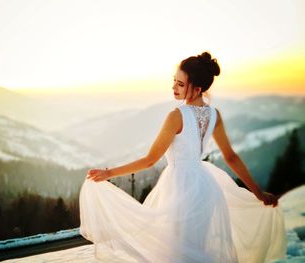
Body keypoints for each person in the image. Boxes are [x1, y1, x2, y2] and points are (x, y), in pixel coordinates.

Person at [79, 52, 287, 263]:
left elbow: (150, 159)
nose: (174, 88)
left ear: (197, 89)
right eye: (174, 81)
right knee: (195, 248)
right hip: (206, 189)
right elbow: (231, 157)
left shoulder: (176, 116)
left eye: (180, 84)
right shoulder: (214, 115)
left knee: (176, 252)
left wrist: (109, 173)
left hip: (179, 188)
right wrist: (258, 193)